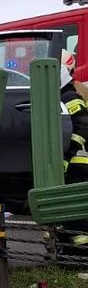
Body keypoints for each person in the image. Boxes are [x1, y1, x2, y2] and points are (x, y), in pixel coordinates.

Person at [60, 50, 88, 248]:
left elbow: (83, 124)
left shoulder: (69, 96)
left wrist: (69, 151)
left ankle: (80, 253)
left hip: (79, 161)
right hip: (77, 161)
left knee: (73, 208)